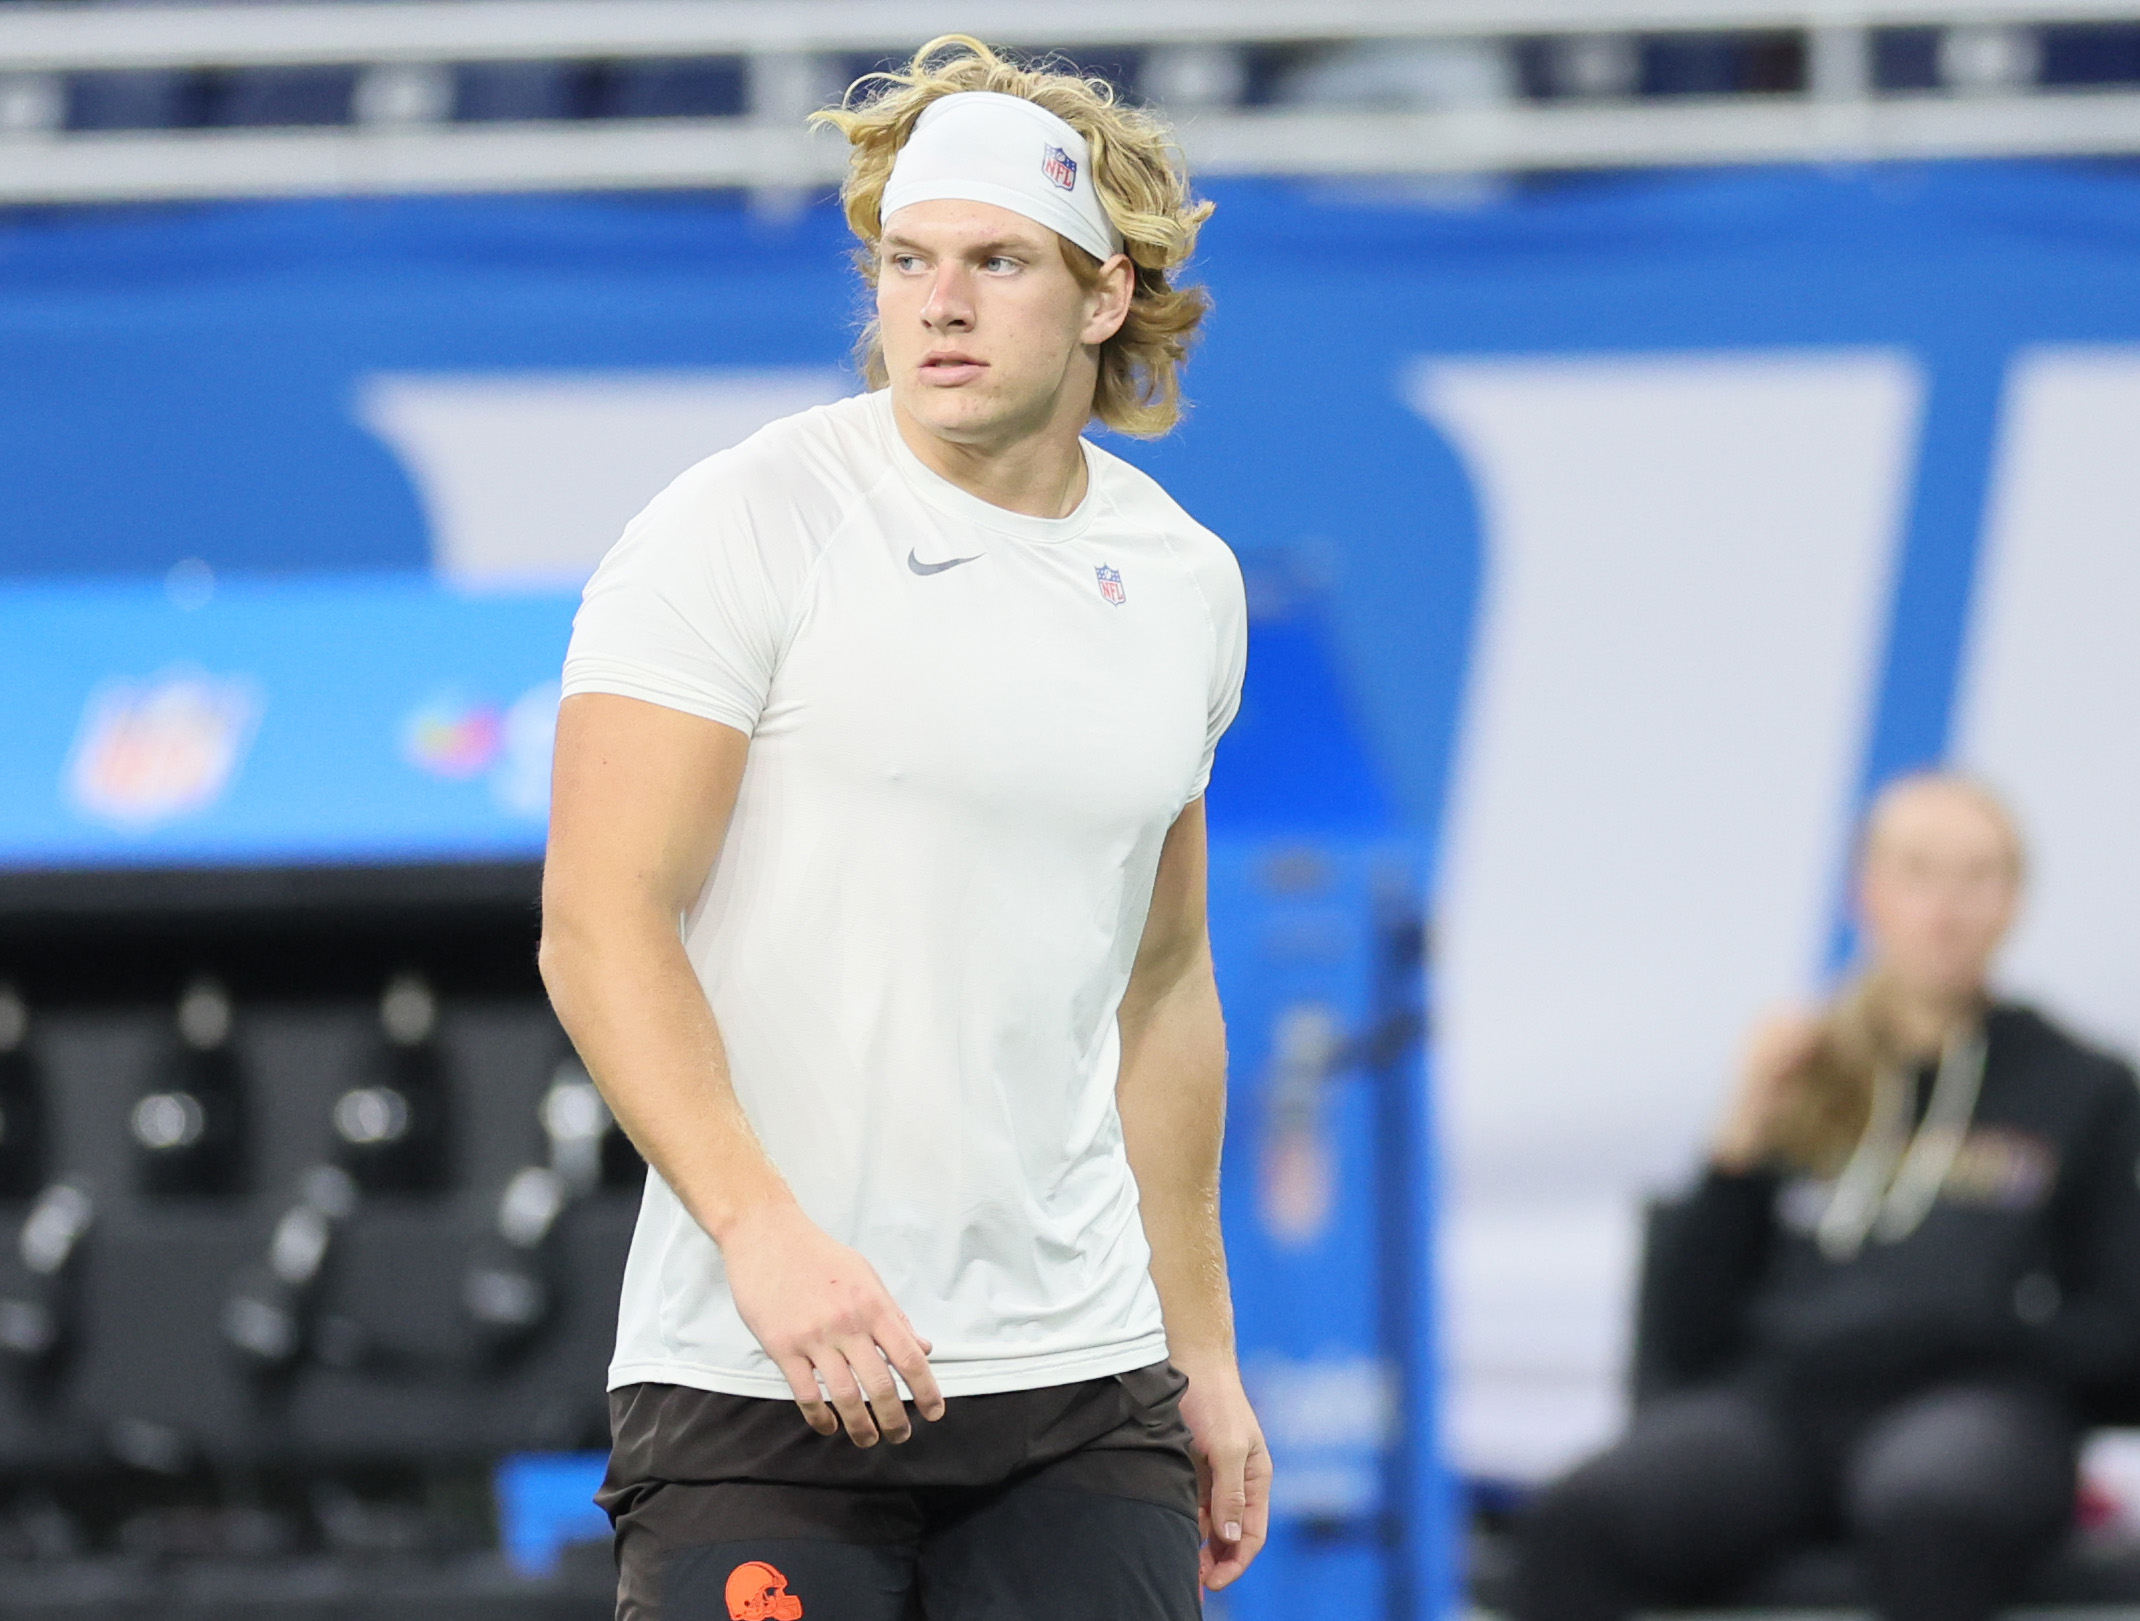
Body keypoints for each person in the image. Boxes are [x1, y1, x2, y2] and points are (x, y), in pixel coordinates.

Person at [538, 34, 1268, 1621]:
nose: (938, 302)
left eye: (999, 262)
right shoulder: (739, 523)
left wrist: (1199, 1349)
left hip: (1084, 1384)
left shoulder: (1187, 585)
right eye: (906, 261)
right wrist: (766, 1234)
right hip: (761, 1375)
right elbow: (601, 921)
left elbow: (1159, 983)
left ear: (1103, 298)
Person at [1512, 772, 2140, 1621]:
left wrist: (1970, 1329)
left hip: (1981, 1401)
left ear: (2013, 900)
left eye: (1977, 875)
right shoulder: (1805, 1072)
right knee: (1582, 1518)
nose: (1946, 907)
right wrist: (1736, 1143)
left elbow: (2119, 1343)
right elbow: (1684, 1341)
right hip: (1783, 1405)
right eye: (1918, 871)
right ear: (1866, 891)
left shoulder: (2083, 1085)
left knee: (1934, 1511)